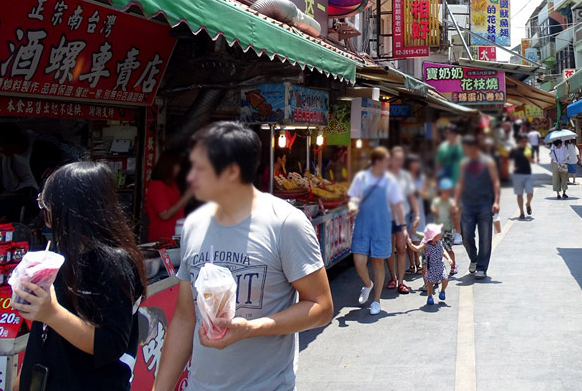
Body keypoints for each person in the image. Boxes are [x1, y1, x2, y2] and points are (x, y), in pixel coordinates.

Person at [152, 122, 333, 391]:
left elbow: (321, 307)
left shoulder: (285, 223)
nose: (190, 178)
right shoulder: (194, 225)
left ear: (232, 172)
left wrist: (251, 328)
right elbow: (184, 318)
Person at [14, 162, 147, 391]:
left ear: (71, 209)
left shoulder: (114, 263)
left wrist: (52, 313)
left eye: (46, 204)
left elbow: (111, 344)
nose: (43, 211)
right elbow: (43, 334)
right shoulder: (58, 254)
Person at [346, 147, 405, 316]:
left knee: (378, 263)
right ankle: (367, 284)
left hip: (382, 226)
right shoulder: (361, 178)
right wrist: (352, 207)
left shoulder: (390, 181)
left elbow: (397, 204)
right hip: (363, 225)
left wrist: (403, 227)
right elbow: (353, 198)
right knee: (358, 261)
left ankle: (376, 300)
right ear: (378, 162)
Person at [453, 136, 500, 280]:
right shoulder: (464, 163)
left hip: (485, 204)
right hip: (467, 204)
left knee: (485, 237)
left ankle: (481, 267)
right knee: (466, 235)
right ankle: (474, 258)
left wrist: (496, 201)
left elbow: (495, 182)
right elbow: (460, 183)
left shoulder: (488, 162)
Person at [145, 149, 195, 242]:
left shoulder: (172, 185)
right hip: (162, 239)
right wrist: (187, 195)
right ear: (169, 166)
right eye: (177, 165)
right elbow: (165, 215)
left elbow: (178, 207)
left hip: (175, 237)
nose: (179, 169)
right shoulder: (157, 186)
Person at [387, 147, 417, 294]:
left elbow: (411, 196)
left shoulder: (405, 176)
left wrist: (417, 214)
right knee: (389, 249)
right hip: (386, 217)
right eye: (396, 159)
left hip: (402, 216)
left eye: (400, 159)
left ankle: (401, 281)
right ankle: (392, 277)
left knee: (401, 247)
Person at [407, 224, 449, 306]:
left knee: (445, 279)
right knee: (430, 283)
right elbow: (417, 248)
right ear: (433, 236)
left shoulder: (439, 242)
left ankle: (442, 290)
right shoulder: (426, 245)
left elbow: (443, 251)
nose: (440, 235)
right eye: (438, 234)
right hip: (431, 267)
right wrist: (410, 244)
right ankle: (429, 296)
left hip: (440, 265)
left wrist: (449, 259)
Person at [436, 125, 463, 244]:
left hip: (459, 183)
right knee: (449, 210)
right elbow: (438, 165)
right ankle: (453, 232)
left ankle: (458, 233)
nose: (446, 135)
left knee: (457, 210)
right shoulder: (443, 147)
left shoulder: (461, 147)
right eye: (445, 133)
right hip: (445, 183)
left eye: (448, 133)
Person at [431, 179, 458, 276]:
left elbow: (455, 213)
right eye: (443, 190)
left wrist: (456, 228)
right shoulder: (436, 201)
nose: (445, 192)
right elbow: (433, 210)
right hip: (438, 231)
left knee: (449, 248)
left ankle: (453, 265)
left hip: (448, 229)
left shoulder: (450, 202)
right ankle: (438, 268)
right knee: (438, 249)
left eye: (447, 190)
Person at [509, 133, 534, 219]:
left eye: (525, 141)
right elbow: (509, 159)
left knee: (530, 193)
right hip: (518, 174)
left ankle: (528, 203)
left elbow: (532, 161)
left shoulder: (528, 149)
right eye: (522, 141)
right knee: (519, 194)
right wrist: (512, 168)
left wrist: (529, 158)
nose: (524, 142)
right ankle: (521, 212)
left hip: (527, 173)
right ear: (519, 141)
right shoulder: (515, 150)